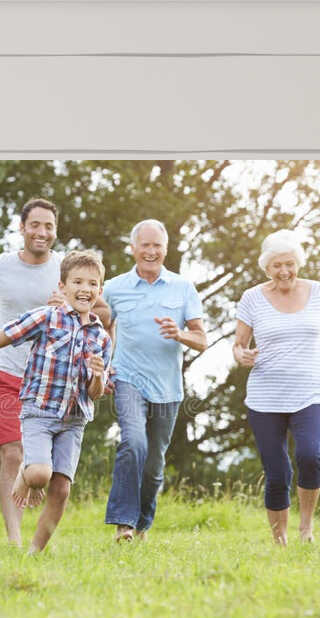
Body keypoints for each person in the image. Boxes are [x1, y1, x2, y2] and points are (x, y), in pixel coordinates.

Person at [0, 250, 112, 555]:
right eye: (77, 281)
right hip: (38, 413)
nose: (85, 289)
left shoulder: (102, 339)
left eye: (92, 284)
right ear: (62, 287)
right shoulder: (46, 318)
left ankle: (34, 553)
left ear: (99, 291)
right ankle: (26, 475)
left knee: (62, 489)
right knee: (40, 474)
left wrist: (99, 377)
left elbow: (95, 393)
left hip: (74, 420)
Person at [233, 230, 320, 545]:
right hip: (265, 398)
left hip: (309, 394)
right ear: (267, 268)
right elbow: (238, 345)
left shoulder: (318, 292)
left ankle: (306, 528)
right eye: (277, 265)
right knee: (277, 472)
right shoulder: (252, 298)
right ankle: (278, 538)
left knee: (310, 456)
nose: (284, 271)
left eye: (290, 264)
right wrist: (242, 355)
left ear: (299, 263)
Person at [101, 219, 205, 543]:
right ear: (133, 248)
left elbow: (201, 339)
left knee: (154, 463)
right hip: (127, 377)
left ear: (166, 249)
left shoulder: (183, 287)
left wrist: (180, 334)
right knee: (134, 443)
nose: (150, 251)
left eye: (156, 245)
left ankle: (142, 525)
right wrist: (102, 368)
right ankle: (123, 524)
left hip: (168, 387)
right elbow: (100, 328)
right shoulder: (113, 287)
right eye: (144, 245)